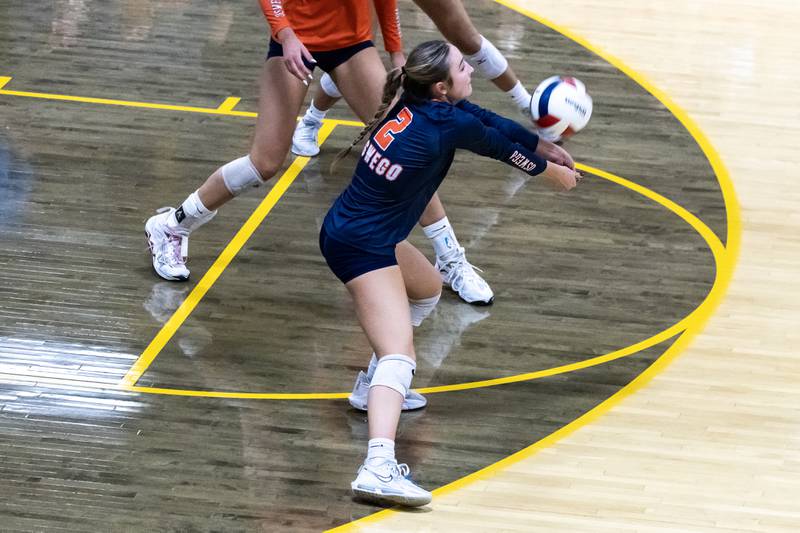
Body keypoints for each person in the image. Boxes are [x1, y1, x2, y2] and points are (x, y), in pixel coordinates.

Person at [320, 39, 580, 506]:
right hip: (362, 245)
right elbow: (501, 147)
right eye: (465, 67)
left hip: (358, 230)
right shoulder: (442, 124)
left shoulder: (423, 104)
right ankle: (376, 467)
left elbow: (490, 122)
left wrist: (544, 145)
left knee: (426, 288)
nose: (471, 71)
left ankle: (369, 390)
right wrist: (548, 171)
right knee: (400, 355)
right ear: (441, 87)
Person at [145, 0, 493, 305]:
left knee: (406, 149)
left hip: (352, 45)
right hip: (295, 42)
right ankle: (172, 226)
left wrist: (397, 53)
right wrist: (285, 35)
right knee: (265, 162)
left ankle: (450, 260)